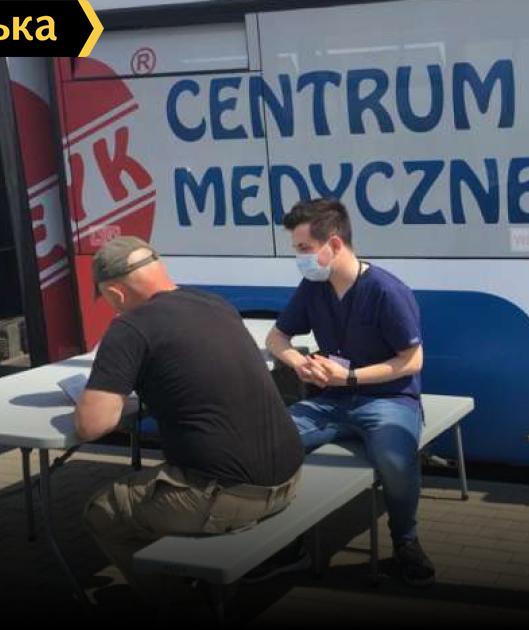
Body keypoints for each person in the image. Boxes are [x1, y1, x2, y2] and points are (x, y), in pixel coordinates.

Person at [75, 236, 305, 606]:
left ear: (116, 293)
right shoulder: (215, 303)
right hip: (290, 479)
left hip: (230, 496)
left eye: (107, 299)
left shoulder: (130, 327)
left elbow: (92, 425)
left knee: (101, 512)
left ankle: (178, 606)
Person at [266, 198, 435, 587]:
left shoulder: (386, 291)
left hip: (388, 400)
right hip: (332, 400)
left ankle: (406, 541)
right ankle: (289, 543)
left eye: (304, 248)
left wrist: (351, 378)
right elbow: (277, 338)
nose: (299, 258)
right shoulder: (314, 287)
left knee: (395, 461)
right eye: (296, 249)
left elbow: (412, 361)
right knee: (272, 444)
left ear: (335, 244)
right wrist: (298, 363)